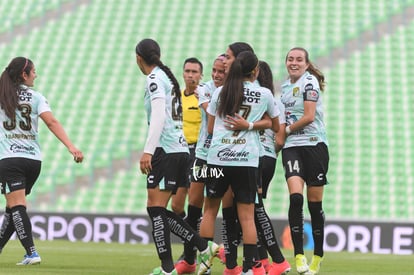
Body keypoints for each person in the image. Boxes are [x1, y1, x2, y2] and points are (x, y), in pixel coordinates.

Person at [135, 38, 219, 275]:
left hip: (166, 150)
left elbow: (160, 116)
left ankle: (172, 265)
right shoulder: (166, 77)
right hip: (180, 150)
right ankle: (199, 248)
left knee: (155, 209)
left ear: (139, 58)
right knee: (158, 209)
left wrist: (148, 150)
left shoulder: (154, 79)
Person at [202, 50, 280, 274]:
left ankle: (205, 263)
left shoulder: (220, 92)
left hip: (218, 158)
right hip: (246, 159)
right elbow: (274, 126)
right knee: (247, 216)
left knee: (209, 210)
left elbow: (209, 128)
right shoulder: (264, 94)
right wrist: (249, 126)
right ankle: (248, 268)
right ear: (255, 70)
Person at [0, 57, 84, 265]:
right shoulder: (36, 97)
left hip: (10, 158)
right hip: (33, 161)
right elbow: (51, 122)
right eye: (34, 71)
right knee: (13, 208)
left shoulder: (2, 95)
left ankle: (31, 253)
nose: (36, 75)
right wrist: (71, 146)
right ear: (24, 74)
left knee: (17, 205)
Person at [224, 61, 291, 275]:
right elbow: (279, 139)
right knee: (252, 209)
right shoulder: (272, 100)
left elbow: (278, 133)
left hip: (255, 157)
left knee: (252, 210)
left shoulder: (258, 97)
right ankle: (262, 261)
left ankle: (275, 260)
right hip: (266, 157)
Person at [174, 55, 226, 275]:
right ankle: (191, 257)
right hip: (196, 154)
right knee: (190, 209)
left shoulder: (232, 92)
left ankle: (222, 259)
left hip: (221, 154)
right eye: (214, 70)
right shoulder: (200, 91)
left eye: (220, 71)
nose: (216, 75)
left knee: (214, 209)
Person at [280, 47, 329, 275]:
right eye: (290, 59)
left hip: (314, 146)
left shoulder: (309, 83)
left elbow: (309, 117)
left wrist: (286, 130)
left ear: (307, 64)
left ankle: (317, 255)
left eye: (299, 59)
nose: (294, 63)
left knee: (314, 204)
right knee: (296, 198)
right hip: (292, 149)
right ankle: (299, 256)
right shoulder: (284, 88)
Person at [171, 57, 203, 220]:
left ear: (201, 75)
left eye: (194, 72)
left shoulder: (203, 98)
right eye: (187, 71)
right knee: (176, 206)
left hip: (196, 152)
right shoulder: (177, 98)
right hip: (179, 151)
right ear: (183, 74)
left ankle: (199, 239)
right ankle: (193, 235)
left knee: (194, 202)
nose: (190, 75)